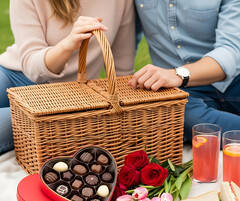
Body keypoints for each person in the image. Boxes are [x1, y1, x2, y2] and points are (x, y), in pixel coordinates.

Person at [0, 0, 135, 154]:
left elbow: (122, 71)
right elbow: (32, 68)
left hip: (65, 97)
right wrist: (68, 44)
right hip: (13, 74)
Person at [130, 0, 240, 143]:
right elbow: (126, 37)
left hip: (234, 81)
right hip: (180, 92)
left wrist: (177, 74)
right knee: (178, 116)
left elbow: (230, 51)